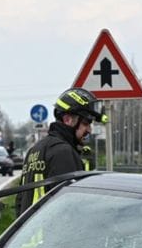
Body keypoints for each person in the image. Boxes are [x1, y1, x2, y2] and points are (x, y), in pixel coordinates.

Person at [16, 87, 106, 215]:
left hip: (28, 233)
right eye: (86, 123)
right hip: (50, 234)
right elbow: (71, 208)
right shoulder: (63, 152)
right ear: (68, 119)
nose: (90, 130)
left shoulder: (34, 150)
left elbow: (20, 201)